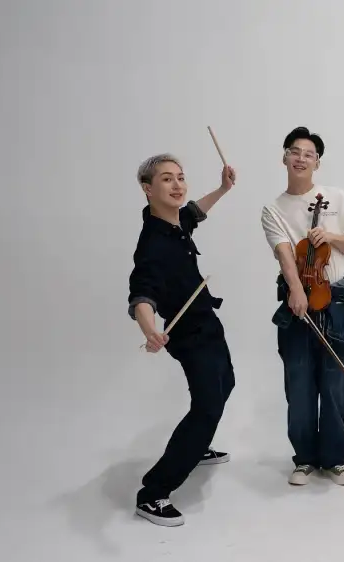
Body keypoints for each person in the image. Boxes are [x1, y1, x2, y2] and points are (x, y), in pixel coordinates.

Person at [126, 153, 238, 526]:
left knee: (226, 383)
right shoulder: (152, 243)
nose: (177, 185)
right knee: (207, 408)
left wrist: (222, 188)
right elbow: (141, 295)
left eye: (180, 177)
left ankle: (196, 445)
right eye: (166, 179)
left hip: (208, 322)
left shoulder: (176, 221)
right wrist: (150, 330)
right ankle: (153, 493)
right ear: (147, 189)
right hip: (189, 335)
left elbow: (194, 211)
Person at [260, 126, 344, 487]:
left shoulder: (335, 197)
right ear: (284, 157)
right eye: (295, 151)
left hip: (336, 299)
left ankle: (335, 460)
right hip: (298, 302)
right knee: (299, 383)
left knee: (337, 384)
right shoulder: (273, 209)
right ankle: (304, 459)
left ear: (317, 162)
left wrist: (331, 236)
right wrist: (296, 290)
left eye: (309, 154)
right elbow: (284, 253)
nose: (301, 158)